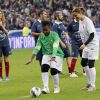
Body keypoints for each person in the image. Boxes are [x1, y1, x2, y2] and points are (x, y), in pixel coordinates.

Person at [26, 20, 64, 94]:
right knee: (44, 68)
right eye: (43, 30)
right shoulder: (41, 36)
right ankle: (46, 88)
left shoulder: (54, 34)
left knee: (53, 69)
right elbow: (37, 47)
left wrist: (53, 56)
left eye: (46, 30)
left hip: (57, 54)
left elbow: (55, 46)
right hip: (46, 54)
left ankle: (56, 87)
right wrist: (31, 59)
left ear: (50, 28)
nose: (45, 32)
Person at [72, 7, 99, 91]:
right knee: (83, 63)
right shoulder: (80, 21)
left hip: (92, 45)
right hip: (86, 46)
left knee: (91, 64)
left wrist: (84, 44)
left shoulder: (88, 21)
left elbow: (92, 35)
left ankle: (93, 85)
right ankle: (89, 83)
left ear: (80, 13)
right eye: (74, 16)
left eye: (76, 15)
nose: (75, 17)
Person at [52, 11, 71, 75]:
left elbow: (65, 32)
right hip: (59, 44)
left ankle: (70, 70)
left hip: (65, 43)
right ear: (57, 17)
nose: (62, 16)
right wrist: (61, 43)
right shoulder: (55, 25)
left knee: (68, 56)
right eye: (60, 15)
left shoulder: (61, 24)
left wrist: (67, 39)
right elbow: (56, 35)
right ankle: (58, 70)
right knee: (60, 57)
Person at [0, 10, 11, 81]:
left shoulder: (4, 22)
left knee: (6, 59)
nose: (0, 15)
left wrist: (1, 26)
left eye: (0, 14)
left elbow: (7, 32)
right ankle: (0, 76)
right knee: (0, 60)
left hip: (5, 43)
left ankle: (7, 76)